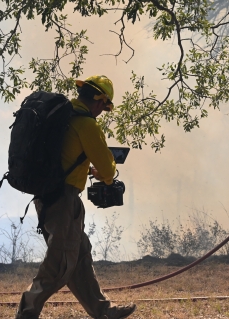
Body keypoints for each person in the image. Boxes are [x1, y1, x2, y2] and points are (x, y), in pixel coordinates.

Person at [16, 75, 137, 319]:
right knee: (61, 260)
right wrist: (106, 173)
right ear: (100, 102)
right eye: (105, 106)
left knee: (79, 255)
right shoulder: (87, 124)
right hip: (65, 201)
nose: (103, 111)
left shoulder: (63, 117)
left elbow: (65, 158)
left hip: (47, 198)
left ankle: (103, 311)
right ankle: (27, 311)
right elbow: (108, 169)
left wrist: (86, 169)